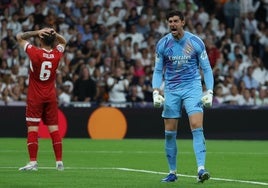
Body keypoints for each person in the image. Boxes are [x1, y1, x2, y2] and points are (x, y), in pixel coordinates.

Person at [152, 10, 214, 183]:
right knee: (170, 132)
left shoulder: (195, 42)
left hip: (192, 88)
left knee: (196, 125)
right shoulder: (163, 44)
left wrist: (209, 91)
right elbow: (158, 71)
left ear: (183, 22)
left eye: (175, 21)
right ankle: (172, 172)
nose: (172, 24)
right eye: (170, 21)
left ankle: (201, 169)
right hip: (171, 90)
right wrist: (156, 91)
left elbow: (207, 69)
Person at [16, 27, 67, 171]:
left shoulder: (35, 52)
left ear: (40, 39)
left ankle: (33, 163)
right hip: (50, 96)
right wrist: (54, 33)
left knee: (32, 128)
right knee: (54, 129)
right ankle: (59, 162)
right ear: (53, 41)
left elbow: (19, 36)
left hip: (35, 96)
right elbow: (64, 42)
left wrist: (36, 31)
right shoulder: (57, 54)